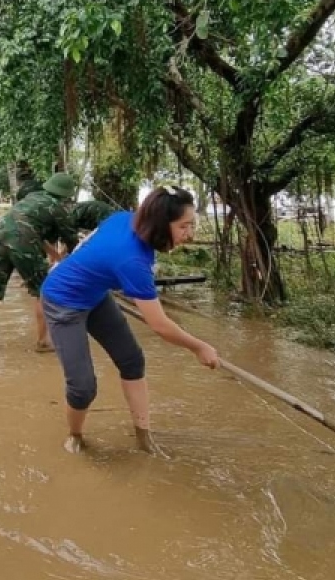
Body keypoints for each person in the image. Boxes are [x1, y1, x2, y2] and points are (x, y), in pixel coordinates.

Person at [39, 186, 219, 455]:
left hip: (96, 295)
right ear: (160, 223)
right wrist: (199, 347)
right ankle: (75, 435)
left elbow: (87, 246)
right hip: (62, 302)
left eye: (192, 225)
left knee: (132, 360)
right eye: (184, 226)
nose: (190, 235)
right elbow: (160, 326)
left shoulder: (126, 218)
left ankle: (143, 436)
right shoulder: (132, 260)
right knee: (83, 387)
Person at [0, 172, 79, 354]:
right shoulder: (57, 208)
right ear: (66, 194)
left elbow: (35, 234)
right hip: (24, 244)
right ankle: (43, 341)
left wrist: (57, 257)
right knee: (42, 291)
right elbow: (73, 243)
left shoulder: (31, 198)